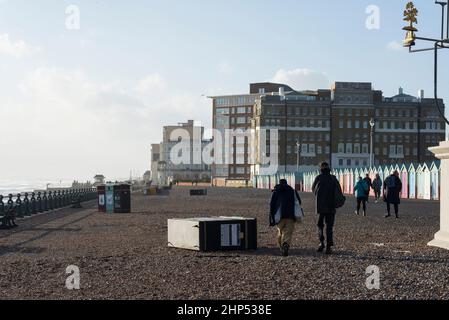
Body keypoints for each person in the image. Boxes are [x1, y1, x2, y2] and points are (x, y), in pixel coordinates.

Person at [312, 162, 344, 255]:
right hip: (331, 207)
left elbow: (313, 190)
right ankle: (328, 247)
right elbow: (339, 191)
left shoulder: (318, 178)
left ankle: (321, 243)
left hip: (320, 207)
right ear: (329, 168)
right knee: (329, 227)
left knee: (320, 225)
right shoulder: (333, 178)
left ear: (321, 168)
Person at [270, 179, 302, 257]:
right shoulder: (292, 191)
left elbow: (272, 204)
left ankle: (282, 246)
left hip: (279, 216)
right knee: (288, 232)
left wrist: (272, 216)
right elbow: (299, 201)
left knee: (280, 231)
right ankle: (286, 244)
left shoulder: (276, 191)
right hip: (290, 215)